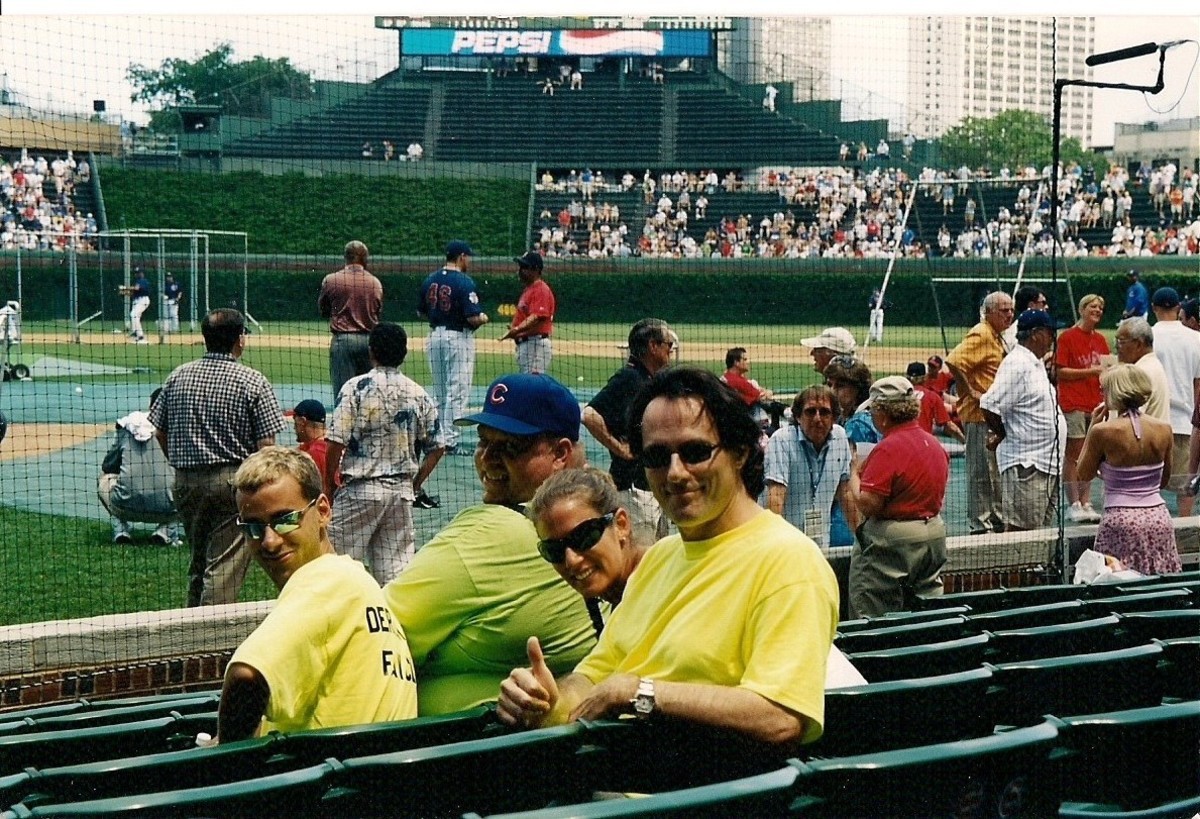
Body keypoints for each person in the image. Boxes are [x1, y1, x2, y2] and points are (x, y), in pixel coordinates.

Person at [497, 367, 838, 746]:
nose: (675, 473)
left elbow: (781, 715)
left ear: (740, 453)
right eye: (657, 457)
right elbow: (593, 676)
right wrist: (549, 699)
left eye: (695, 452)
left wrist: (641, 693)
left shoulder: (788, 561)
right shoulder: (660, 558)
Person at [384, 373, 596, 716]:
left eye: (511, 447)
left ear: (560, 453)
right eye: (484, 442)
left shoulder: (489, 533)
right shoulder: (597, 527)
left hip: (438, 748)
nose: (487, 459)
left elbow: (372, 628)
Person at [218, 447, 417, 742]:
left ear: (322, 511)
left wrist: (225, 757)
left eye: (285, 519)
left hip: (326, 779)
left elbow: (247, 676)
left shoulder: (324, 580)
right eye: (254, 527)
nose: (270, 541)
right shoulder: (360, 585)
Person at [150, 308, 284, 606]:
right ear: (240, 340)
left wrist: (179, 461)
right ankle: (209, 646)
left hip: (186, 480)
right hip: (233, 482)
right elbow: (267, 445)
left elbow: (159, 430)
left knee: (198, 564)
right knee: (223, 568)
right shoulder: (253, 381)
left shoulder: (179, 376)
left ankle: (191, 633)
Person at [325, 323, 444, 585]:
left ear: (371, 352)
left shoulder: (355, 387)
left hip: (360, 491)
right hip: (400, 495)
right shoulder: (418, 392)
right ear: (404, 354)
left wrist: (328, 483)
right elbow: (438, 447)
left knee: (335, 570)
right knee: (395, 576)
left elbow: (335, 441)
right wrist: (414, 484)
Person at [847, 376, 949, 618]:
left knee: (872, 614)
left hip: (894, 542)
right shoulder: (933, 443)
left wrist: (852, 473)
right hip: (932, 535)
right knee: (927, 613)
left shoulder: (888, 448)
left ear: (883, 413)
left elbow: (869, 505)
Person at [1077, 365, 1180, 575]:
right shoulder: (1164, 429)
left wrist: (1091, 430)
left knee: (1119, 580)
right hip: (1158, 516)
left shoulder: (1103, 431)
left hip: (1120, 518)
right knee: (1158, 580)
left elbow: (1083, 474)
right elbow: (1164, 480)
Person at [583, 318, 677, 549]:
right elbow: (589, 415)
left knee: (659, 552)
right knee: (640, 555)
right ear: (653, 346)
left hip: (648, 488)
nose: (670, 351)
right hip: (634, 490)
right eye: (667, 345)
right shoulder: (629, 378)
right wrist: (618, 447)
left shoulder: (646, 379)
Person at [765, 385, 857, 615]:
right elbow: (776, 496)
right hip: (785, 545)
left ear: (834, 417)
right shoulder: (781, 440)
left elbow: (845, 491)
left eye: (825, 412)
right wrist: (773, 549)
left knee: (815, 605)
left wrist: (862, 537)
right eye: (810, 411)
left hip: (819, 543)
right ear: (797, 416)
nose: (818, 419)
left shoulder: (839, 437)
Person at [980, 310, 1067, 532]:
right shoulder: (1018, 364)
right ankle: (1016, 570)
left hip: (1044, 463)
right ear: (1036, 334)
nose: (1054, 338)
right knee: (1022, 536)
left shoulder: (1033, 362)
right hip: (1027, 464)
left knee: (1039, 536)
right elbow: (989, 404)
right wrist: (1001, 434)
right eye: (1051, 332)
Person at [527, 466, 644, 620]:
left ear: (621, 525)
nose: (571, 560)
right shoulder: (629, 596)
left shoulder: (655, 590)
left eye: (583, 537)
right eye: (554, 550)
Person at [946, 291, 1013, 534]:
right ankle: (981, 524)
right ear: (989, 312)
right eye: (1003, 310)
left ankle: (993, 519)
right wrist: (970, 391)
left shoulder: (995, 335)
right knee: (981, 472)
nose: (1009, 314)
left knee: (991, 471)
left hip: (990, 415)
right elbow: (954, 360)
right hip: (978, 415)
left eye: (1011, 310)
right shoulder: (982, 333)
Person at [417, 240, 489, 455]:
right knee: (457, 391)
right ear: (461, 257)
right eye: (468, 257)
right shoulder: (464, 281)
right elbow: (473, 317)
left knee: (440, 391)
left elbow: (420, 312)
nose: (469, 260)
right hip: (457, 339)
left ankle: (437, 437)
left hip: (434, 337)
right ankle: (449, 441)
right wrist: (484, 318)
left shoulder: (430, 279)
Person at [98, 388, 180, 546]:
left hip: (125, 505)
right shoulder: (182, 429)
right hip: (170, 510)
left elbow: (108, 465)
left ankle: (120, 529)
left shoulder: (129, 426)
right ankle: (166, 530)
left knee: (104, 477)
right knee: (190, 484)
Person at [1057, 294, 1110, 523]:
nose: (1097, 310)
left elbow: (1105, 369)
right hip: (1074, 403)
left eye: (1100, 307)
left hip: (1094, 403)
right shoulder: (1067, 337)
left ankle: (1086, 501)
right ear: (1081, 309)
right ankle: (1073, 502)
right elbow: (1060, 372)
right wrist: (1090, 372)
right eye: (1092, 306)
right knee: (1074, 454)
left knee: (1092, 454)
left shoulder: (1101, 339)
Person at [1149, 287, 1200, 520]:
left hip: (1152, 420)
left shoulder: (1147, 335)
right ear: (1178, 307)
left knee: (1148, 483)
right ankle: (1186, 527)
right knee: (1185, 485)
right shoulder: (1195, 338)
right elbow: (1198, 384)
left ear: (1154, 308)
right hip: (1185, 421)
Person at [318, 240, 382, 400]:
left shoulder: (331, 280)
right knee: (368, 395)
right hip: (369, 341)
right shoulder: (375, 282)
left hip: (343, 341)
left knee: (343, 395)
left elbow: (323, 309)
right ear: (365, 258)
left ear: (345, 257)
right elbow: (377, 311)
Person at [498, 250, 555, 374]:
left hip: (536, 345)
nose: (519, 271)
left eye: (524, 267)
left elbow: (536, 317)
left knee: (532, 387)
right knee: (528, 385)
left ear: (535, 270)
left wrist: (517, 329)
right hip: (528, 345)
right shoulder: (529, 289)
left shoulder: (541, 289)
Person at [905, 362, 965, 442]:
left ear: (907, 378)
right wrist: (964, 441)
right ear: (925, 377)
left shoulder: (899, 395)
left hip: (901, 441)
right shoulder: (931, 396)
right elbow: (949, 426)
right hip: (924, 442)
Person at [290, 399, 330, 480]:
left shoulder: (316, 453)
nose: (294, 427)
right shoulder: (329, 443)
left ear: (302, 422)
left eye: (295, 420)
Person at [119, 266, 151, 344]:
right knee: (135, 316)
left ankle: (139, 335)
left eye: (139, 273)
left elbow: (136, 288)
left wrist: (125, 288)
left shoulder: (143, 281)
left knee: (134, 314)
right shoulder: (138, 281)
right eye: (136, 273)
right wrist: (124, 293)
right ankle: (137, 333)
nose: (137, 274)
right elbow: (134, 293)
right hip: (137, 301)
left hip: (143, 300)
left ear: (142, 273)